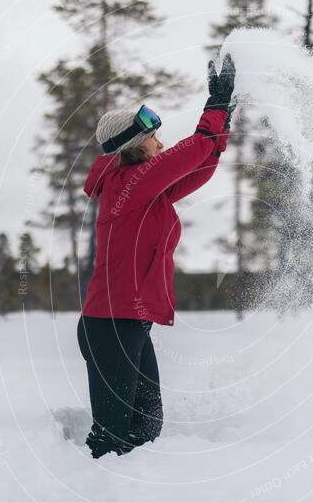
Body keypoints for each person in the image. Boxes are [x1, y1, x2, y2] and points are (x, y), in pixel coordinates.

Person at [76, 55, 237, 459]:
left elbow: (198, 167)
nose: (160, 143)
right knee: (112, 438)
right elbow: (188, 152)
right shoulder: (128, 183)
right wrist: (213, 111)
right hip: (110, 325)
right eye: (153, 137)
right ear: (133, 145)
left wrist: (222, 129)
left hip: (130, 324)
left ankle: (133, 495)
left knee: (146, 427)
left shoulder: (144, 190)